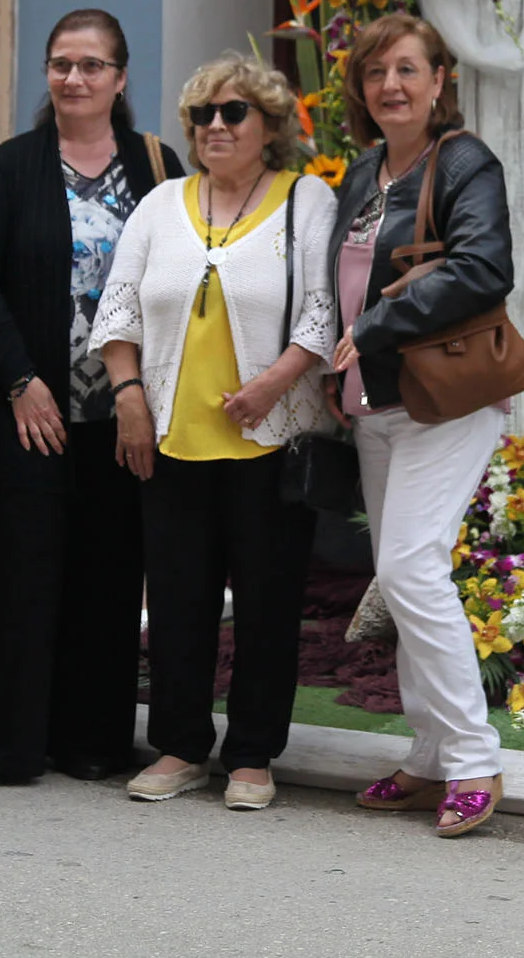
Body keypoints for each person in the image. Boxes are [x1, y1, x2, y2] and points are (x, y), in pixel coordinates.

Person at [93, 54, 336, 811]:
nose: (215, 127)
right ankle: (179, 745)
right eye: (203, 115)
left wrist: (271, 383)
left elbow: (323, 313)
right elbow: (118, 307)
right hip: (171, 439)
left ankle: (254, 754)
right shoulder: (163, 202)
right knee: (176, 600)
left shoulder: (307, 199)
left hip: (270, 438)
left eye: (233, 112)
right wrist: (129, 395)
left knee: (267, 603)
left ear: (268, 124)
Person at [0, 10, 181, 789]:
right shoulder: (13, 165)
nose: (73, 78)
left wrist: (143, 393)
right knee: (26, 573)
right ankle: (6, 746)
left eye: (90, 65)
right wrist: (19, 378)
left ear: (119, 78)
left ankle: (94, 741)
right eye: (60, 64)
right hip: (33, 408)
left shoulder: (157, 166)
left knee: (111, 576)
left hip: (125, 412)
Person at [325, 13, 515, 837]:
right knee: (403, 577)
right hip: (377, 406)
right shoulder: (362, 175)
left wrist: (370, 330)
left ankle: (474, 757)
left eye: (406, 69)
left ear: (440, 81)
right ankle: (432, 753)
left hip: (448, 399)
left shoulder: (466, 161)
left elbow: (483, 267)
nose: (390, 86)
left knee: (409, 567)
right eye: (375, 73)